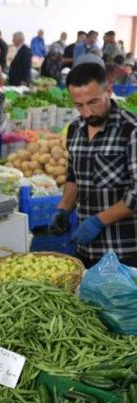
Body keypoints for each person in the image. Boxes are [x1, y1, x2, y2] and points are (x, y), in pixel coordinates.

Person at [50, 63, 137, 268]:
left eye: (93, 102)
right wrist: (63, 208)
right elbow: (74, 177)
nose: (87, 112)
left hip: (123, 252)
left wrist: (99, 221)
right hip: (85, 249)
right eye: (79, 105)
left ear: (109, 90)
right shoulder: (74, 129)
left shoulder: (130, 130)